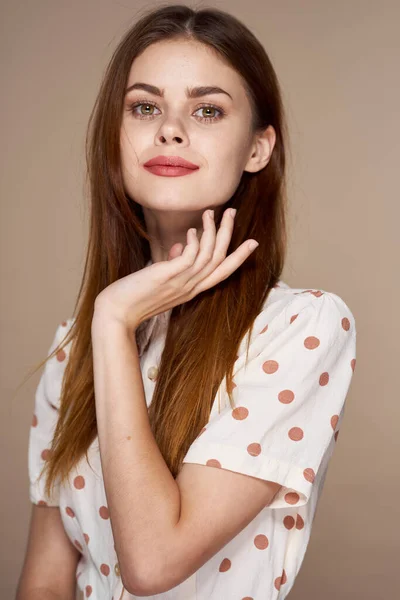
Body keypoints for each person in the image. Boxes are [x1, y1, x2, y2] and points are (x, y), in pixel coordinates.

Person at [16, 4, 357, 600]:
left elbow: (153, 562)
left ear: (258, 148)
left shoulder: (302, 326)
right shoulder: (77, 344)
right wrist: (108, 326)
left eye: (207, 110)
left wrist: (115, 318)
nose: (170, 130)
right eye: (145, 107)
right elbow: (45, 579)